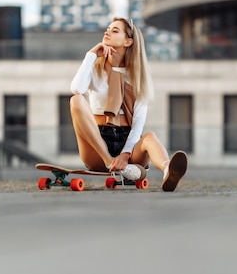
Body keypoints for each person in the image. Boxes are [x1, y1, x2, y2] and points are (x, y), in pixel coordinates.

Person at [69, 17, 187, 192]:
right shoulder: (95, 68)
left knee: (149, 137)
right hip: (97, 144)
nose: (107, 32)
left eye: (115, 30)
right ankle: (110, 162)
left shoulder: (137, 77)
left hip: (129, 143)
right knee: (76, 100)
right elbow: (76, 88)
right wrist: (91, 54)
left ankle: (168, 170)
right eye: (107, 29)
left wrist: (125, 154)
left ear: (128, 41)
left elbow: (138, 124)